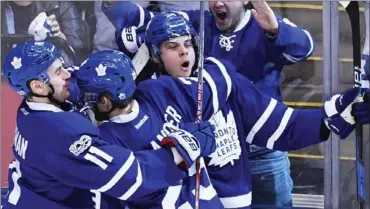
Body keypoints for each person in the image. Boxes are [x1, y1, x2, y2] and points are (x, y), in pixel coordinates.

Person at [75, 12, 370, 209]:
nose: (184, 52)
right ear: (155, 54)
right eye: (172, 46)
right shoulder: (144, 103)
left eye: (189, 44)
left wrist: (333, 116)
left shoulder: (223, 83)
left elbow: (282, 126)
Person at [1, 40, 217, 209]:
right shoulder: (60, 133)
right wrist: (185, 147)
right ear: (38, 86)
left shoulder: (31, 104)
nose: (68, 74)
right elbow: (128, 177)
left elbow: (74, 80)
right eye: (59, 72)